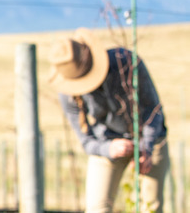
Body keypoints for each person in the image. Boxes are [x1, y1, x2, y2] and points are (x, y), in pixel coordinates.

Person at [48, 28, 168, 212]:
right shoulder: (68, 94)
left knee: (151, 207)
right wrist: (109, 148)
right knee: (97, 208)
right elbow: (86, 141)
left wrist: (147, 146)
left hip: (150, 139)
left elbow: (153, 109)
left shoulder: (126, 62)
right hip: (107, 144)